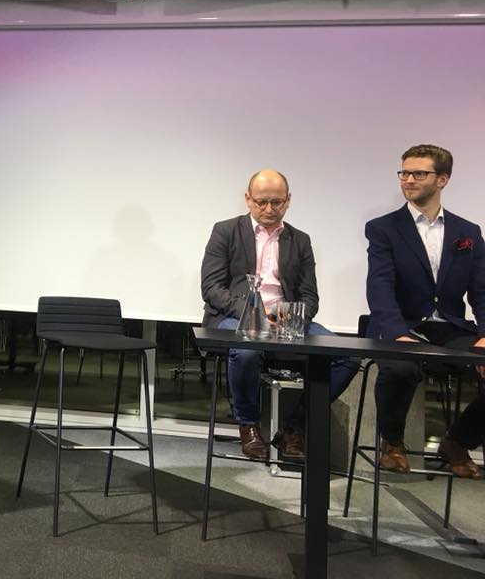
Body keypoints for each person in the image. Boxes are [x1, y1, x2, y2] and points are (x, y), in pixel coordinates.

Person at [201, 169, 358, 460]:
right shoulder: (225, 231)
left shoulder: (299, 240)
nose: (269, 209)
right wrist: (257, 316)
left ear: (288, 201)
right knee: (247, 351)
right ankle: (248, 424)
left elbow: (310, 296)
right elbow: (211, 288)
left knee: (347, 356)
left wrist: (289, 318)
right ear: (248, 199)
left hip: (285, 318)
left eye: (276, 202)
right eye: (261, 202)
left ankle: (293, 427)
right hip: (236, 315)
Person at [366, 144, 485, 479]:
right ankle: (392, 442)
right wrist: (396, 333)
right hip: (401, 325)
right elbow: (379, 286)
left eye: (418, 173)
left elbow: (481, 291)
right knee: (401, 367)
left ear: (442, 179)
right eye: (404, 173)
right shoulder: (383, 228)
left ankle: (458, 442)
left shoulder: (468, 232)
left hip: (448, 328)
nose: (408, 180)